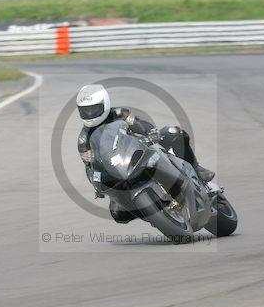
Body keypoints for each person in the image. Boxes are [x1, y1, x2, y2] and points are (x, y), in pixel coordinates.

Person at [76, 84, 214, 223]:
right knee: (118, 214)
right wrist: (96, 184)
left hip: (140, 150)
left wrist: (151, 133)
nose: (90, 113)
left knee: (174, 133)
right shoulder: (83, 140)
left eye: (93, 108)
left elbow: (141, 124)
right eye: (85, 110)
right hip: (119, 170)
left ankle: (197, 170)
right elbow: (90, 166)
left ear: (105, 104)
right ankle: (156, 216)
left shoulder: (119, 114)